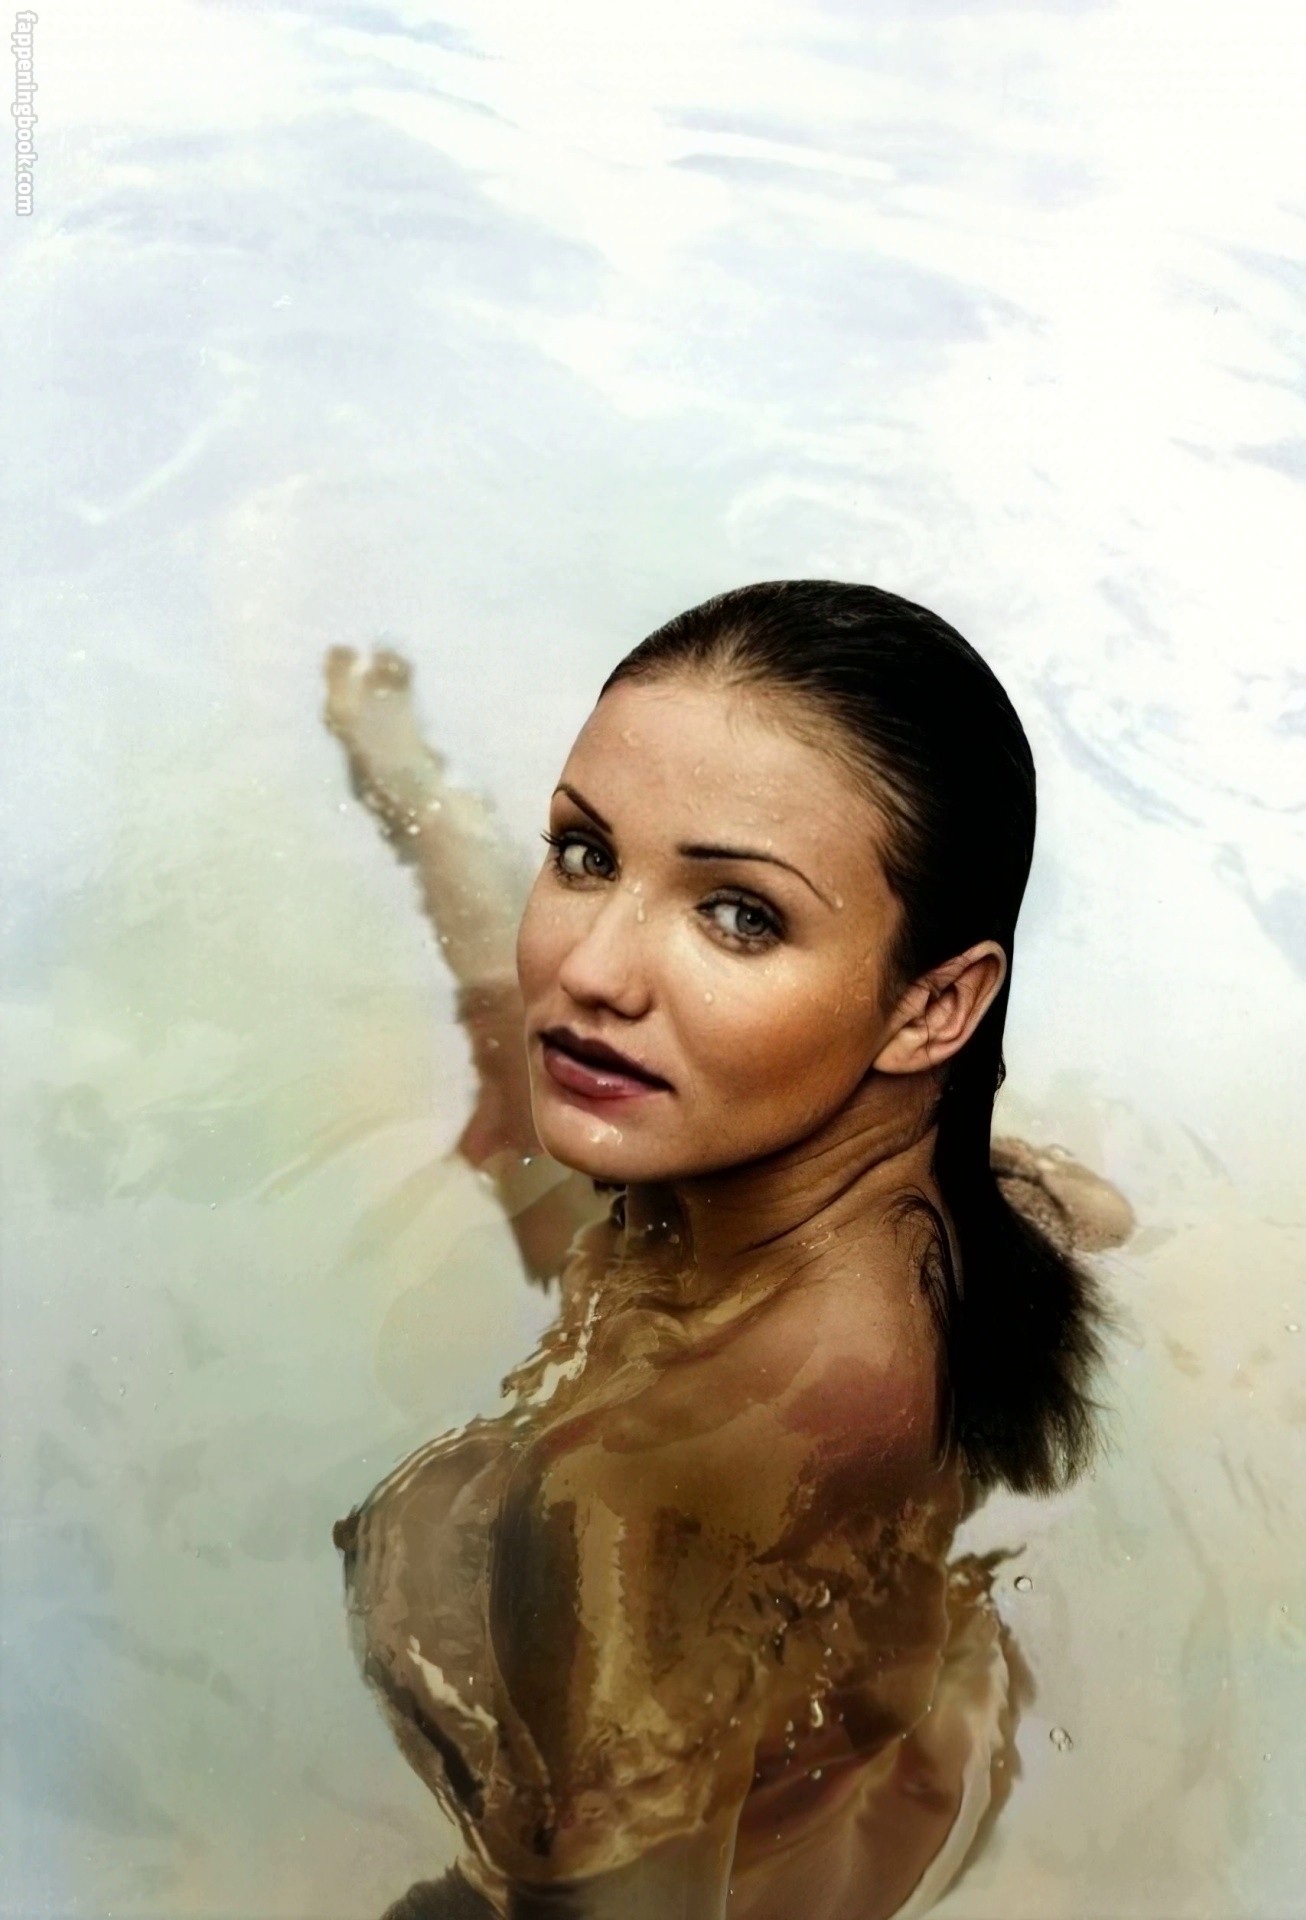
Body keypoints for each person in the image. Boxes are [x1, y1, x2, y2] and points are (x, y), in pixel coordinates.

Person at [324, 582, 1134, 1920]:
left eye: (740, 916)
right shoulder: (994, 1203)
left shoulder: (627, 1495)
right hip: (901, 1754)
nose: (594, 966)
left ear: (934, 1005)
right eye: (584, 852)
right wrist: (406, 788)